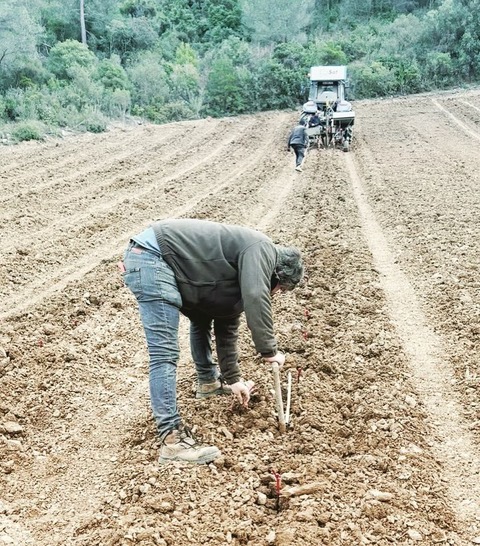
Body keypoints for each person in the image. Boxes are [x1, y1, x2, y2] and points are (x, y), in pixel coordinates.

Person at [121, 219, 304, 465]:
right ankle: (172, 441)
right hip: (153, 257)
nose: (275, 294)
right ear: (276, 273)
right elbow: (255, 295)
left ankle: (208, 383)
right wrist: (270, 351)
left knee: (202, 318)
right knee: (164, 353)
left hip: (161, 260)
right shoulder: (262, 248)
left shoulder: (236, 273)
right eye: (279, 289)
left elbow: (226, 322)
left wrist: (234, 379)